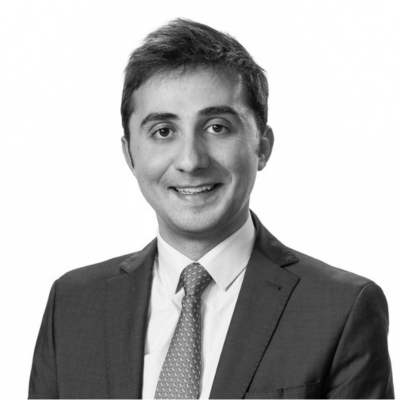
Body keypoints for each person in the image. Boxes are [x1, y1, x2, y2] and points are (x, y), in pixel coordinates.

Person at [28, 18, 394, 399]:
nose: (190, 160)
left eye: (217, 127)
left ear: (262, 146)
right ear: (129, 155)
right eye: (163, 131)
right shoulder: (71, 306)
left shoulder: (340, 311)